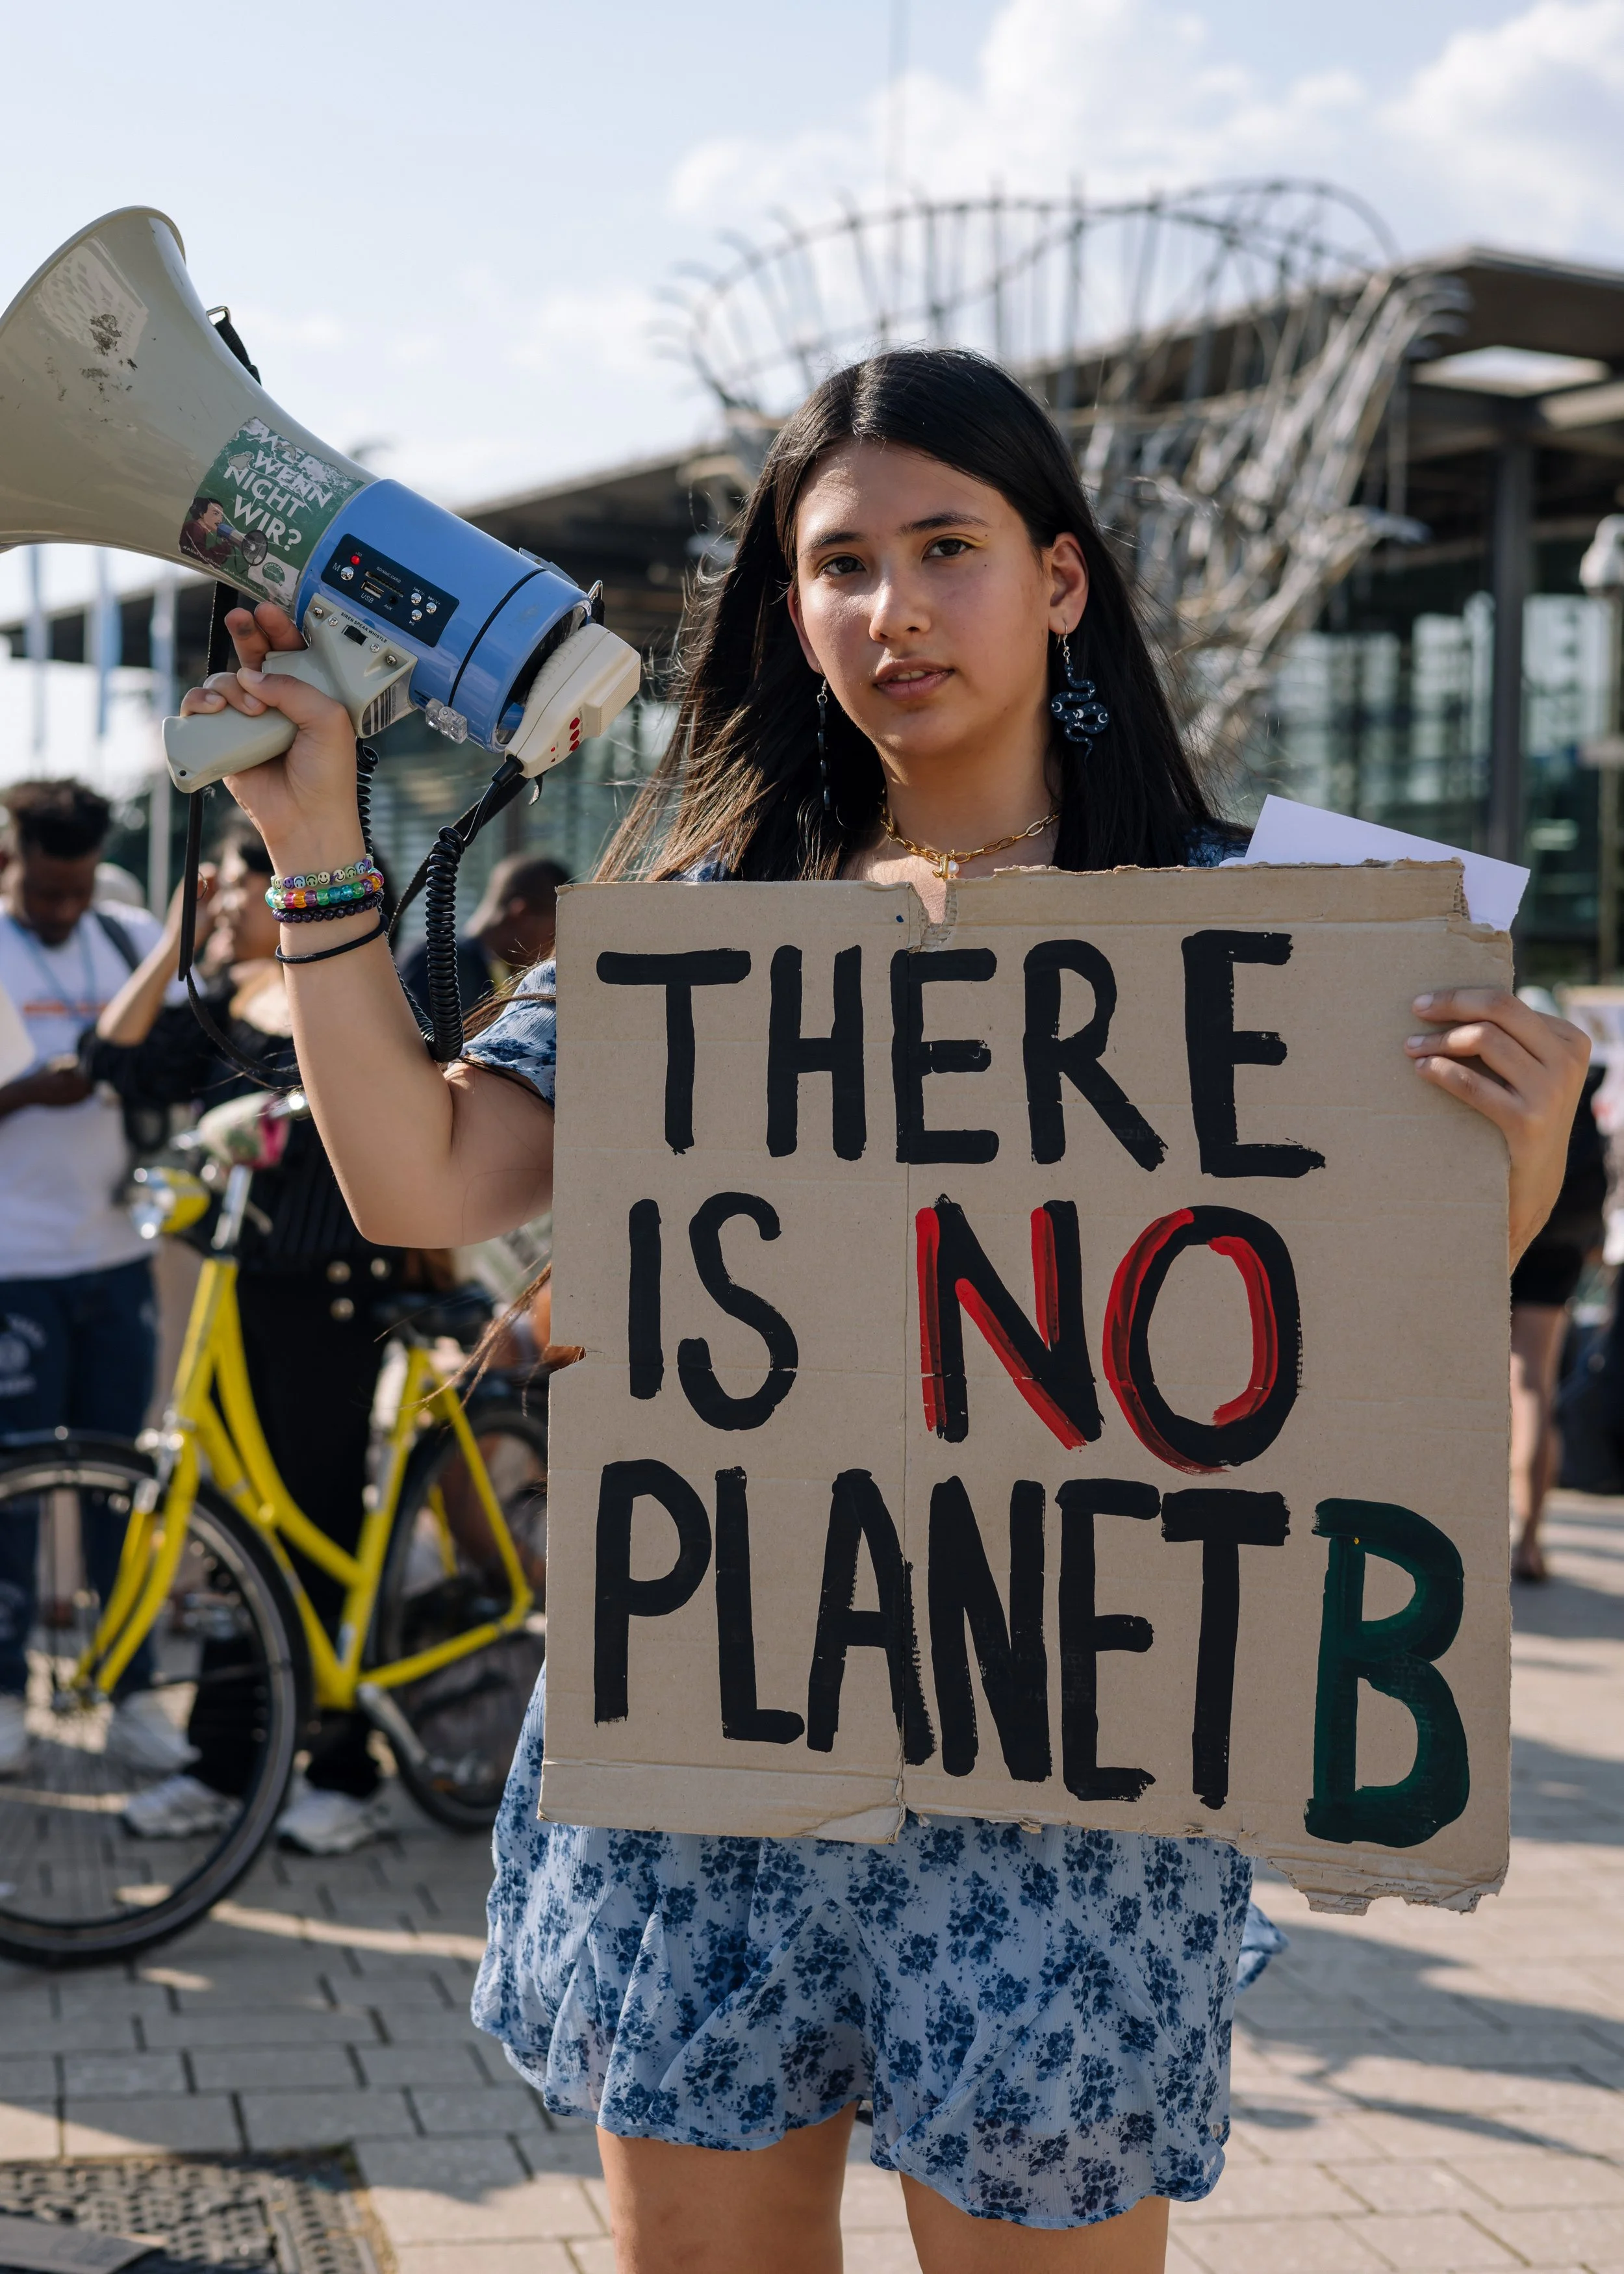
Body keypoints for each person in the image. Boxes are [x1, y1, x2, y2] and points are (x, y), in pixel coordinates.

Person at [180, 347, 1590, 2273]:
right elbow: (425, 1180)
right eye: (838, 563)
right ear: (789, 607)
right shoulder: (706, 917)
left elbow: (1356, 1346)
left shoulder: (1259, 924)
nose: (892, 607)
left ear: (1059, 578)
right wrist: (317, 850)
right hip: (719, 1735)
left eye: (949, 546)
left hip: (1069, 1783)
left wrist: (1502, 1166)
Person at [84, 819, 406, 1854]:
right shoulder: (231, 997)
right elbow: (116, 1061)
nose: (232, 897)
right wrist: (181, 931)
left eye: (248, 876)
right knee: (229, 1530)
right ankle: (230, 1762)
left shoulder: (358, 989)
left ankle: (344, 1769)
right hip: (238, 1291)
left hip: (330, 1290)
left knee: (312, 1521)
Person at [0, 778, 193, 1782]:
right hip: (15, 1266)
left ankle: (130, 1693)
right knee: (13, 1496)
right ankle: (6, 1695)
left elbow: (184, 1056)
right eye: (44, 890)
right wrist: (36, 1089)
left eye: (77, 890)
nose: (62, 908)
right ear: (13, 860)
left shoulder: (127, 940)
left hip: (116, 1255)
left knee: (124, 1487)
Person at [1507, 989, 1606, 1581]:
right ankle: (1532, 1540)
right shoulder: (1576, 1082)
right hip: (1562, 1242)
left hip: (1502, 1230)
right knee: (1533, 1386)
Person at [396, 850, 570, 1023]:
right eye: (554, 936)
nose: (555, 952)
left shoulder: (490, 972)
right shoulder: (438, 961)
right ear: (521, 915)